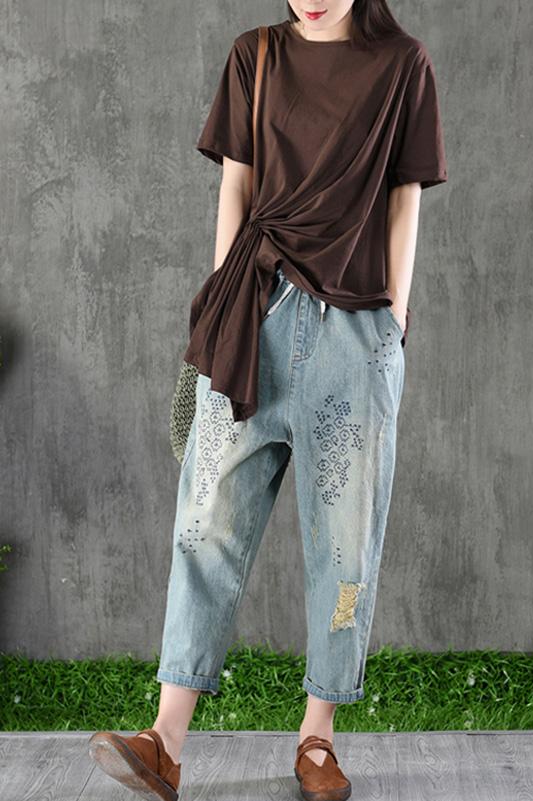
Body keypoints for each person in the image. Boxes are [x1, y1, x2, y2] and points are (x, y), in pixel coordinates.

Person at [88, 2, 447, 799]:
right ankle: (164, 740)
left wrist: (391, 323)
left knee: (346, 547)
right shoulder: (254, 55)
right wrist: (222, 305)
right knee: (204, 520)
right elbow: (237, 185)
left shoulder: (403, 66)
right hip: (256, 311)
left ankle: (317, 739)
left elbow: (405, 195)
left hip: (356, 333)